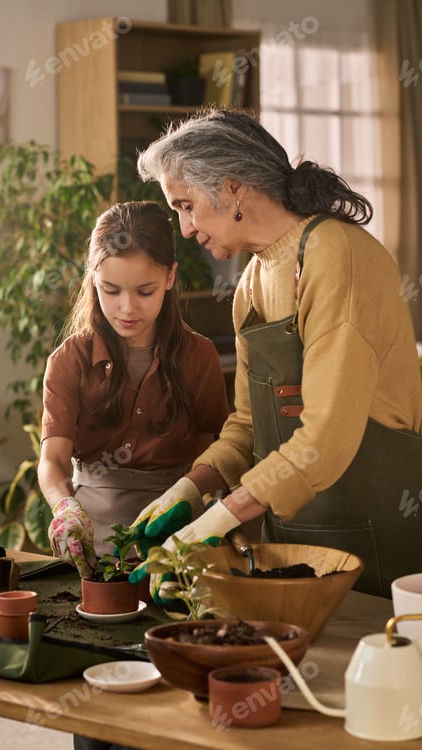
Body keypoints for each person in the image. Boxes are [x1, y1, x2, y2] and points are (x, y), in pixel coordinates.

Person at [129, 106, 422, 600]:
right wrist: (192, 486)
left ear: (232, 187)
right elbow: (249, 425)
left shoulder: (336, 256)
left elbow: (325, 437)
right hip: (296, 540)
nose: (183, 229)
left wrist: (218, 519)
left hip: (377, 541)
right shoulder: (252, 283)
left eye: (184, 205)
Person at [38, 200, 229, 750]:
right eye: (109, 290)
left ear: (171, 277)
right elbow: (53, 461)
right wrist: (64, 506)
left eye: (144, 291)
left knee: (168, 695)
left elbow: (223, 451)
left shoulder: (195, 356)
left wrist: (195, 500)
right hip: (90, 536)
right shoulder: (70, 360)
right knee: (95, 697)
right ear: (91, 278)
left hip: (176, 534)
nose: (126, 307)